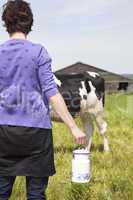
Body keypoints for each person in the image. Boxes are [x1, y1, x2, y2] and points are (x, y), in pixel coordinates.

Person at [0, 0, 86, 199]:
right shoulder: (38, 51)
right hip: (36, 134)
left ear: (6, 23)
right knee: (36, 193)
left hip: (3, 132)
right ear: (29, 23)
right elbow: (52, 93)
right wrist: (73, 127)